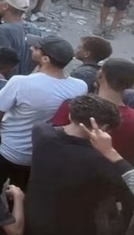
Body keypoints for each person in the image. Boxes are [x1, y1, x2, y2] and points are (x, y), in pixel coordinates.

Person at [0, 35, 88, 190]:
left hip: (6, 148)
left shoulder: (20, 82)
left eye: (37, 48)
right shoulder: (80, 87)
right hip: (37, 154)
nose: (32, 48)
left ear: (45, 59)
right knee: (19, 193)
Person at [26, 94, 126, 235]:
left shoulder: (40, 132)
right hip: (76, 225)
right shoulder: (101, 161)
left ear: (70, 116)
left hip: (36, 216)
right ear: (103, 128)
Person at [0, 0, 32, 74]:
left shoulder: (2, 31)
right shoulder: (34, 28)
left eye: (0, 0)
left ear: (5, 6)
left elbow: (1, 64)